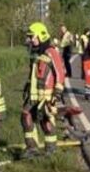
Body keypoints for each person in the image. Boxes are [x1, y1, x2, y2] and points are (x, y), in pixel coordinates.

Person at [23, 22, 64, 157]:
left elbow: (60, 73)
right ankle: (31, 147)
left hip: (46, 96)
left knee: (45, 122)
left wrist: (56, 94)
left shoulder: (51, 52)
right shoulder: (36, 53)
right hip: (33, 95)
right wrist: (28, 86)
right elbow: (34, 73)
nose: (30, 40)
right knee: (26, 117)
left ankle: (51, 149)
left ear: (41, 36)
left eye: (32, 37)